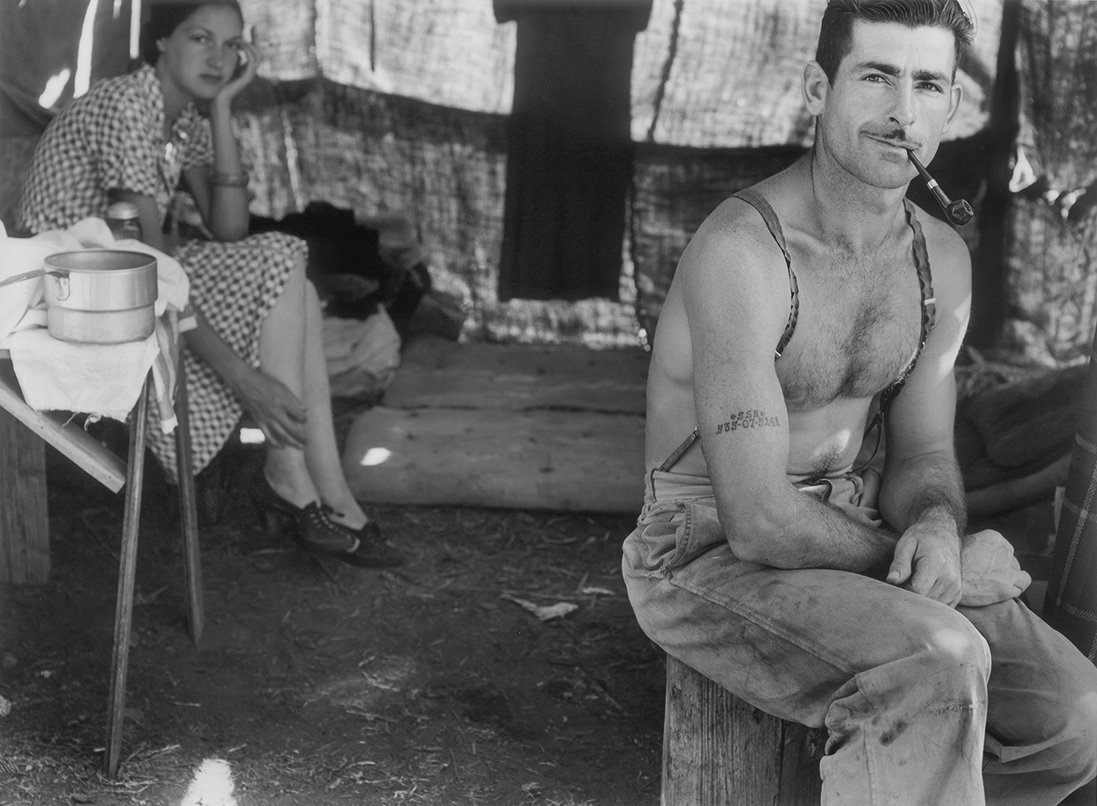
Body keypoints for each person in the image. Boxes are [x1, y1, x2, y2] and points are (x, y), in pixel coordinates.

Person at [622, 1, 1097, 803]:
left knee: (1073, 711)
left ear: (950, 104)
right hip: (704, 549)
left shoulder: (935, 258)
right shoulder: (744, 252)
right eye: (876, 76)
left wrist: (939, 532)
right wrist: (936, 575)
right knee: (936, 660)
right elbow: (758, 519)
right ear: (818, 88)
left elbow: (921, 456)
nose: (900, 111)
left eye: (926, 84)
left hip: (857, 525)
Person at [17, 0, 404, 569]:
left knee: (289, 276)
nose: (218, 57)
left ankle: (326, 491)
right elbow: (148, 264)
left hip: (116, 276)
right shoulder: (128, 103)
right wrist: (242, 378)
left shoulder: (183, 121)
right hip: (66, 289)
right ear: (159, 44)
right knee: (283, 258)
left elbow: (229, 228)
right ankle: (295, 474)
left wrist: (222, 107)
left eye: (232, 46)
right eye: (200, 39)